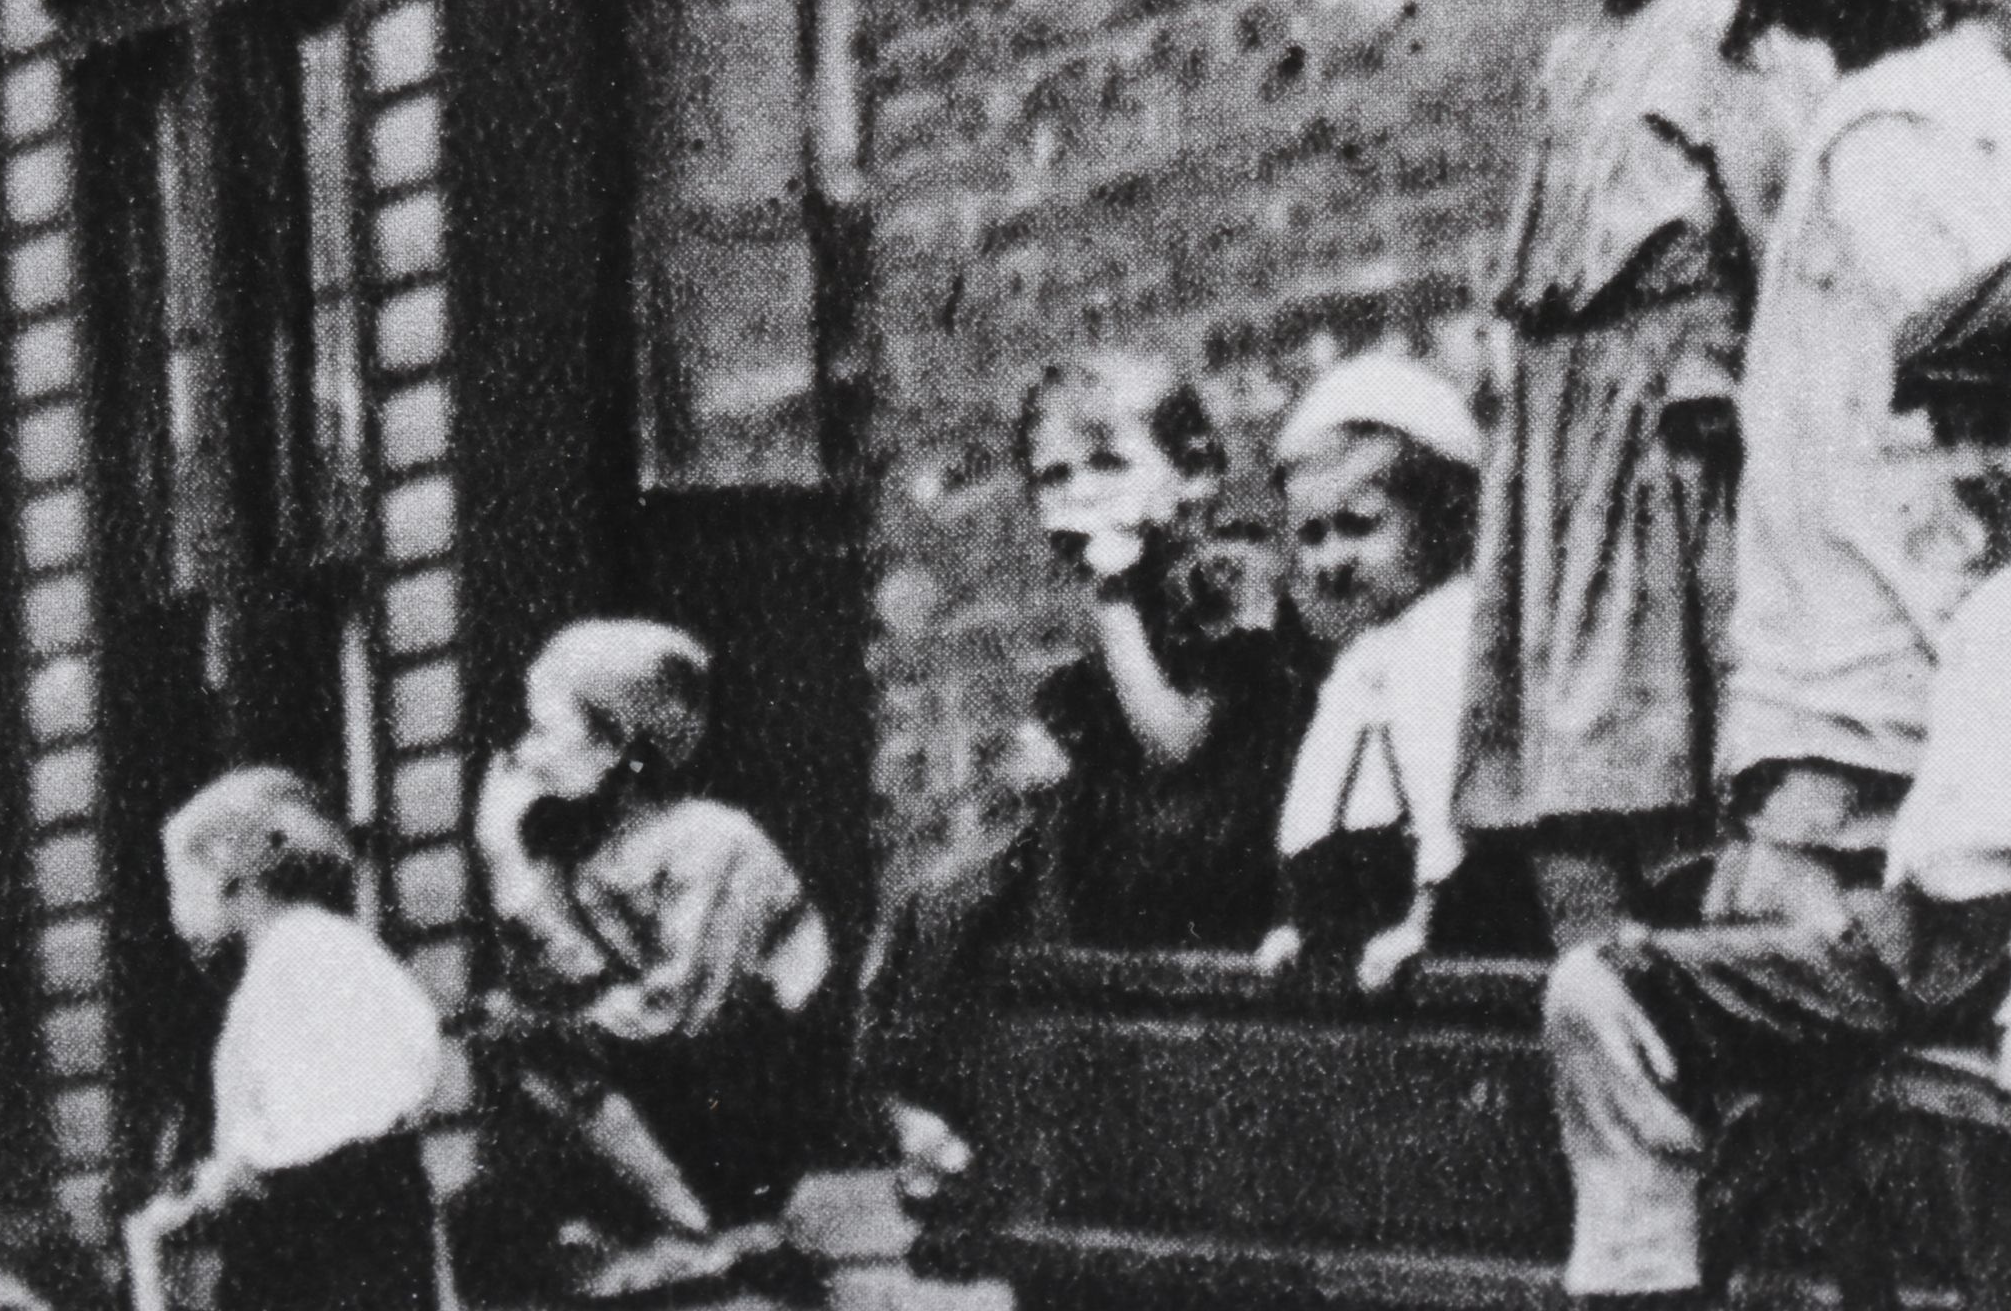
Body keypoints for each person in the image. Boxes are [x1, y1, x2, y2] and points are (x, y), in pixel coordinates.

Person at [1542, 250, 2011, 1308]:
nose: (1964, 464)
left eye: (2000, 429)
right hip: (1936, 946)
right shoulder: (2007, 598)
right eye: (1947, 434)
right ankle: (1644, 1278)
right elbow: (1946, 822)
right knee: (1605, 987)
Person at [1457, 0, 1836, 943]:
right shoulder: (1570, 64)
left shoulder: (1742, 34)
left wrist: (1727, 369)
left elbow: (1804, 267)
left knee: (1679, 791)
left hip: (1683, 478)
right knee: (1561, 815)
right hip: (1564, 478)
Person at [1704, 0, 2011, 934]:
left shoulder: (1883, 135)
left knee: (1794, 921)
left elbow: (1984, 358)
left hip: (1870, 641)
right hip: (1915, 630)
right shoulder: (1978, 97)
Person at [858, 353, 1316, 1202]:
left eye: (1108, 463)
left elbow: (1177, 743)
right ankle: (923, 1103)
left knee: (1016, 882)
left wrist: (1111, 604)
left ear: (1196, 475)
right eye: (1054, 475)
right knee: (944, 894)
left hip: (1224, 847)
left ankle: (999, 1118)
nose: (1078, 494)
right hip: (1138, 842)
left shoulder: (1228, 577)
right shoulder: (1130, 609)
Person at [458, 619, 831, 1300]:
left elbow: (672, 1024)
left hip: (721, 1159)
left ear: (619, 743)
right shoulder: (572, 863)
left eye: (545, 729)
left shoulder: (714, 847)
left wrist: (515, 880)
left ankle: (695, 1239)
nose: (523, 752)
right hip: (617, 1197)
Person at [124, 769, 444, 1311]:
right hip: (350, 1223)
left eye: (181, 882)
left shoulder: (299, 959)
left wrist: (218, 1185)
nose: (177, 910)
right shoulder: (311, 952)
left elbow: (318, 1132)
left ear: (227, 870)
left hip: (332, 1240)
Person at [1255, 353, 1524, 991]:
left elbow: (1443, 792)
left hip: (1449, 905)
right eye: (1313, 535)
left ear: (1443, 515)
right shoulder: (1361, 656)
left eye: (1360, 525)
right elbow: (1320, 789)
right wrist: (1302, 916)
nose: (1333, 559)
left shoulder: (1453, 634)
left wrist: (1427, 919)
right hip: (1369, 899)